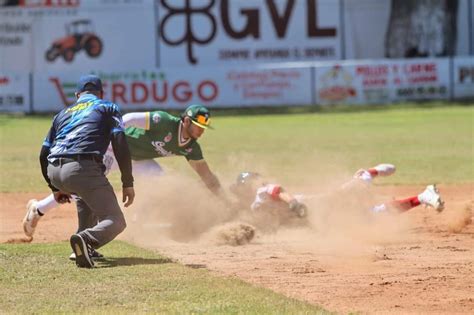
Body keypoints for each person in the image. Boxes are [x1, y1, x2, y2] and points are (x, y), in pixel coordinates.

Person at [23, 104, 226, 249]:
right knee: (84, 186)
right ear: (187, 121)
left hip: (137, 160)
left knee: (160, 181)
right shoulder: (163, 121)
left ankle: (138, 221)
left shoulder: (191, 147)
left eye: (204, 129)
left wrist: (223, 198)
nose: (201, 131)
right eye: (198, 127)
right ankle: (39, 209)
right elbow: (128, 119)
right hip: (114, 149)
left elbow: (206, 175)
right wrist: (109, 137)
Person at [34, 74, 135, 268]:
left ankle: (81, 247)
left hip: (54, 168)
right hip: (81, 168)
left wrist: (54, 187)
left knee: (83, 193)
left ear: (77, 94)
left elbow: (43, 153)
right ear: (101, 93)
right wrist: (127, 182)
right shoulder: (107, 107)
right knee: (115, 220)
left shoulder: (62, 113)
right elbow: (120, 143)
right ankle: (86, 239)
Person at [230, 163, 444, 219]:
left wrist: (293, 203)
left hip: (315, 206)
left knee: (348, 193)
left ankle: (370, 173)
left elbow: (276, 190)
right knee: (370, 216)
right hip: (316, 219)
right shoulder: (252, 209)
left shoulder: (259, 194)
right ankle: (421, 197)